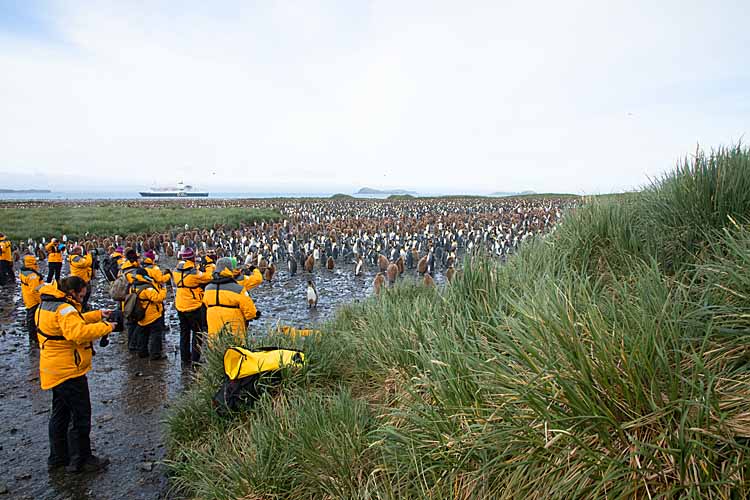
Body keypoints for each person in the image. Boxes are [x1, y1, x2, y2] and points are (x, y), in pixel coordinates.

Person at [35, 276, 115, 473]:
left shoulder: (47, 304)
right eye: (82, 293)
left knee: (60, 415)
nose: (83, 296)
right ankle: (81, 460)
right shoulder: (65, 309)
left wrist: (97, 314)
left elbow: (68, 325)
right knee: (80, 415)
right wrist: (107, 327)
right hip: (69, 369)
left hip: (52, 368)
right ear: (72, 292)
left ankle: (58, 457)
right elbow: (77, 333)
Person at [203, 257, 260, 343]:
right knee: (236, 350)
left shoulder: (207, 288)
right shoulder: (238, 289)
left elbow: (205, 303)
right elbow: (250, 312)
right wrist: (254, 315)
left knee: (217, 347)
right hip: (234, 328)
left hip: (213, 325)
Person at [173, 248, 211, 364]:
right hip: (193, 306)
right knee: (197, 332)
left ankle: (184, 359)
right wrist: (209, 266)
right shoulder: (194, 273)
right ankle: (195, 359)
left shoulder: (176, 271)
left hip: (180, 305)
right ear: (192, 258)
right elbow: (208, 277)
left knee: (184, 333)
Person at [129, 268, 167, 359]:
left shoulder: (133, 286)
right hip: (151, 314)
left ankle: (142, 352)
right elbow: (158, 298)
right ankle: (155, 354)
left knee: (143, 334)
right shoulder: (147, 288)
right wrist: (163, 290)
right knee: (155, 335)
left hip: (140, 314)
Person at [19, 254, 43, 346]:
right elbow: (35, 290)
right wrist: (41, 300)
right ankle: (33, 337)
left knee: (30, 317)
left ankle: (32, 336)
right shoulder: (32, 275)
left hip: (27, 297)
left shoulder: (24, 272)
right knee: (32, 318)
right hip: (33, 300)